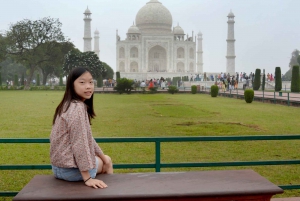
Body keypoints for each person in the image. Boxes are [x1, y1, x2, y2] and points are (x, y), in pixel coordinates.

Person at [50, 67, 113, 189]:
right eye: (82, 82)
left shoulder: (67, 104)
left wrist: (102, 156)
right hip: (71, 171)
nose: (88, 86)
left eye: (91, 82)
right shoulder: (78, 108)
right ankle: (108, 195)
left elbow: (88, 138)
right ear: (71, 85)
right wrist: (88, 178)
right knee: (108, 162)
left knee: (106, 159)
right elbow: (80, 143)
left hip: (58, 168)